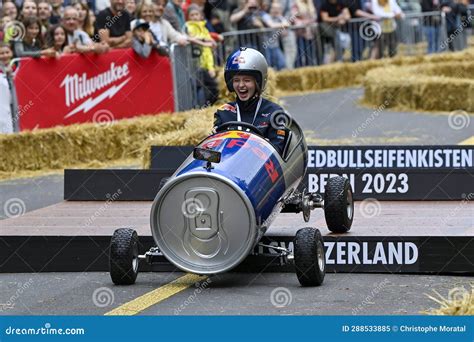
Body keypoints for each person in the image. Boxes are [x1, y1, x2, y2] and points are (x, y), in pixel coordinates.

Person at [214, 47, 291, 156]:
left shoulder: (275, 112)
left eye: (247, 80)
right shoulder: (223, 112)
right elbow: (215, 149)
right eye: (236, 80)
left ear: (258, 82)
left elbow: (277, 153)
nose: (241, 85)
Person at [185, 4, 219, 105]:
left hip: (206, 63)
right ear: (188, 17)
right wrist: (206, 41)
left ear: (201, 16)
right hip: (195, 64)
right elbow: (192, 38)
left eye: (196, 14)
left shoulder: (204, 27)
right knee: (207, 88)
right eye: (192, 15)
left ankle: (204, 107)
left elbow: (208, 44)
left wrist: (211, 67)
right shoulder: (188, 27)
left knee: (207, 88)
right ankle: (203, 108)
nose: (195, 17)